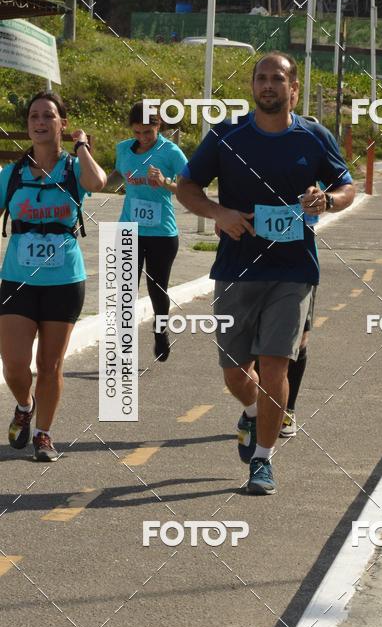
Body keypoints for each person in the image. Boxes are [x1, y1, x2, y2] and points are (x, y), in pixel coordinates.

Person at [177, 51, 355, 495]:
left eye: (278, 78)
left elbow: (346, 186)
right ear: (253, 87)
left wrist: (328, 201)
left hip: (294, 269)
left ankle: (262, 460)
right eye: (262, 78)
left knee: (277, 362)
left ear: (293, 89)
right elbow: (186, 186)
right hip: (237, 267)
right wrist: (220, 212)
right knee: (236, 372)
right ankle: (255, 410)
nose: (269, 85)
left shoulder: (314, 137)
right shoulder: (226, 135)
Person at [0, 91, 107, 461]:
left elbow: (98, 183)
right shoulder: (11, 174)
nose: (40, 122)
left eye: (48, 116)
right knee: (14, 364)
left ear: (62, 123)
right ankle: (24, 405)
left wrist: (81, 148)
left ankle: (43, 434)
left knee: (50, 364)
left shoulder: (73, 168)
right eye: (33, 117)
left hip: (64, 281)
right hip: (18, 280)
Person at [113, 101, 188, 361]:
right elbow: (113, 179)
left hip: (162, 233)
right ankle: (124, 348)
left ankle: (160, 331)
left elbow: (191, 189)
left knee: (157, 287)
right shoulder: (123, 149)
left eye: (148, 132)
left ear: (159, 126)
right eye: (137, 132)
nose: (143, 138)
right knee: (125, 289)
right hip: (129, 229)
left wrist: (165, 182)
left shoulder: (171, 152)